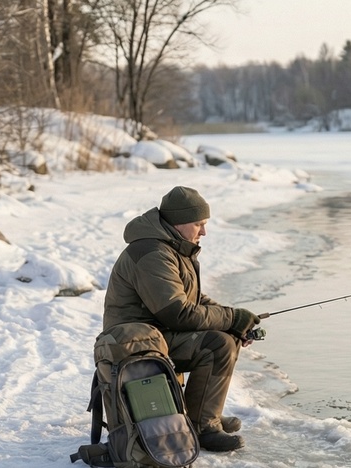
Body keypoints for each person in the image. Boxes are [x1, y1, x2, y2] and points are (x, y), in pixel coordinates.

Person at [102, 186, 261, 452]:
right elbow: (177, 312)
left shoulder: (172, 246)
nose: (204, 232)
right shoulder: (153, 253)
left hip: (156, 333)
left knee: (227, 336)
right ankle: (202, 428)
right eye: (199, 224)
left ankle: (202, 414)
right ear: (178, 223)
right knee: (216, 344)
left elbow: (193, 301)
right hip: (136, 344)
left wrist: (236, 321)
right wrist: (230, 318)